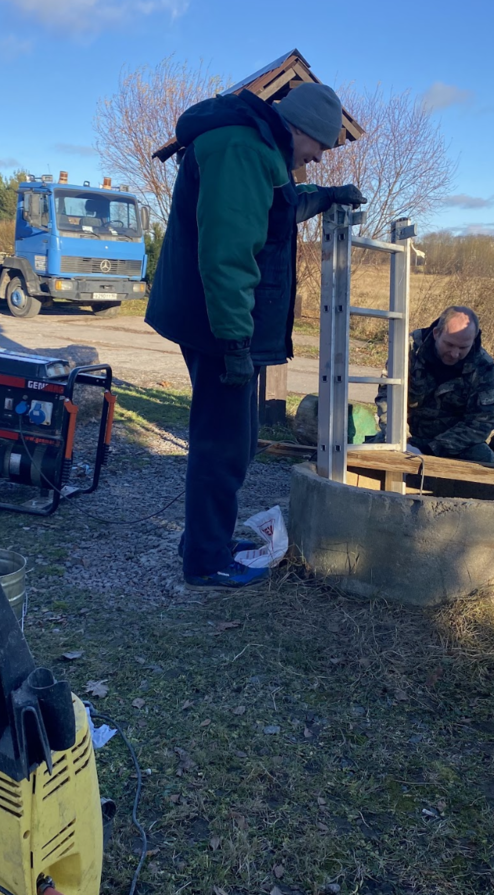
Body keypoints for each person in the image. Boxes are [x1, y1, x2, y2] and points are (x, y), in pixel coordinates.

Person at [146, 82, 366, 589]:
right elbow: (227, 253)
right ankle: (205, 560)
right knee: (221, 443)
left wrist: (325, 197)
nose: (317, 160)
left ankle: (210, 540)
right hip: (215, 324)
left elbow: (274, 208)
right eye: (320, 148)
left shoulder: (259, 148)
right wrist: (234, 343)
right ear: (301, 129)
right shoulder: (240, 148)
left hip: (223, 324)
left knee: (239, 439)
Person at [374, 306, 494, 462]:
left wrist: (433, 449)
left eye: (463, 348)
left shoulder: (483, 366)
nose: (455, 353)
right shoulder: (408, 350)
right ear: (436, 333)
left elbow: (482, 421)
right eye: (449, 345)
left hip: (453, 443)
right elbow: (387, 398)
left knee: (483, 457)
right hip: (406, 437)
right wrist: (403, 442)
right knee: (367, 452)